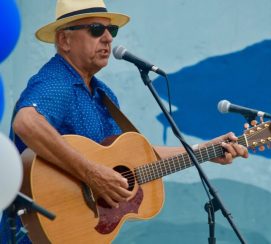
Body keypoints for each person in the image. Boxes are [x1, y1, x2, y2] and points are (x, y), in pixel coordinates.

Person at [1, 0, 251, 242]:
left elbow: (134, 160)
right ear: (65, 40)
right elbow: (26, 122)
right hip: (32, 235)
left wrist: (203, 150)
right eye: (96, 30)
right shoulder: (56, 82)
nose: (108, 38)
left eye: (112, 30)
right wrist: (91, 173)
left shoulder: (103, 94)